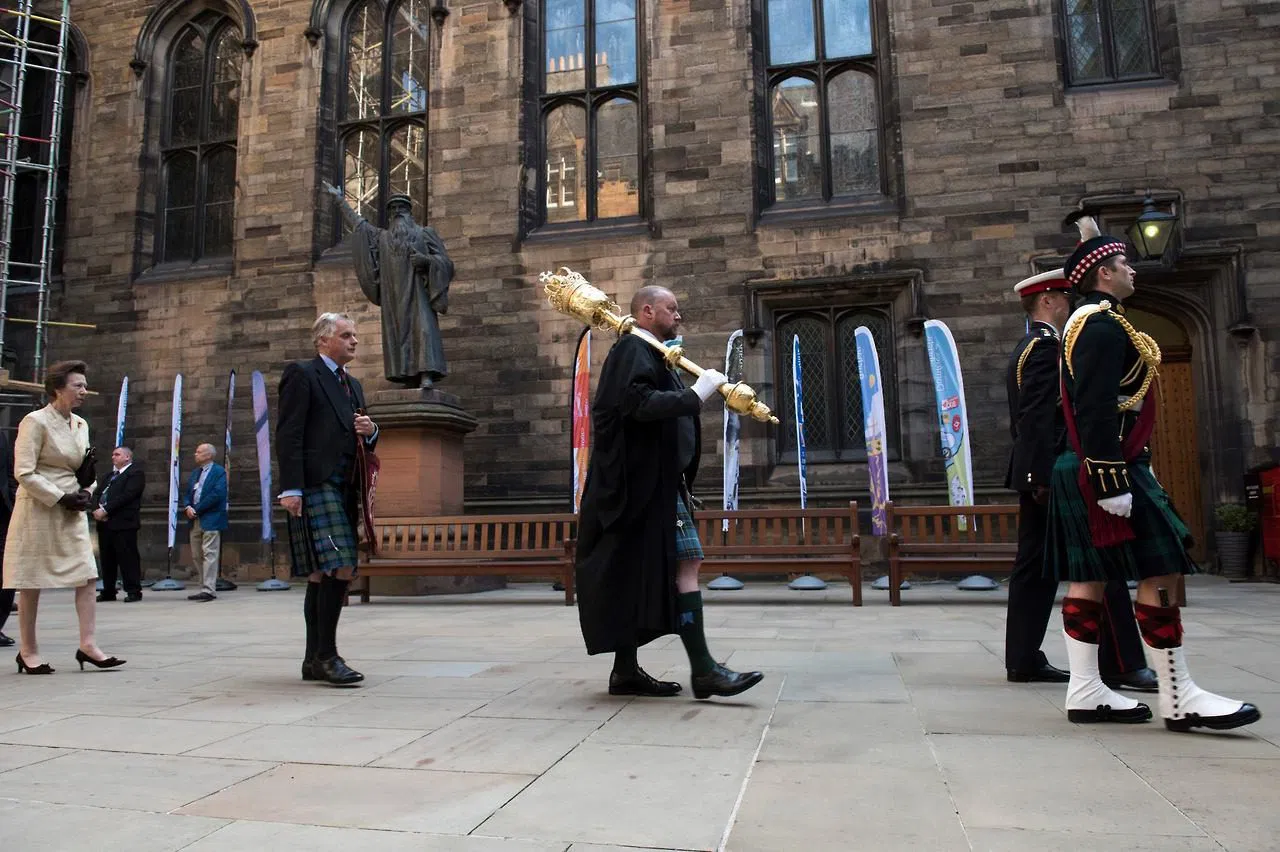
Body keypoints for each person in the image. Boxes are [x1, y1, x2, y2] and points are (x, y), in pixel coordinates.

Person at [1046, 215, 1259, 731]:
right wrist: (1111, 480)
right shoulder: (1099, 325)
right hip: (1107, 466)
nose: (1132, 270)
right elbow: (1095, 407)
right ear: (1103, 274)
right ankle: (1179, 696)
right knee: (1161, 569)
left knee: (1091, 577)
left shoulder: (1094, 321)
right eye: (1123, 263)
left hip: (1096, 463)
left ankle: (1086, 689)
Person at [575, 286, 764, 700]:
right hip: (642, 486)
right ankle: (705, 671)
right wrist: (696, 394)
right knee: (685, 562)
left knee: (644, 572)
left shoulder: (651, 352)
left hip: (659, 483)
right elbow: (638, 405)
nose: (678, 316)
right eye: (671, 308)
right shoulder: (632, 349)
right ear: (647, 311)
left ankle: (627, 671)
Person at [1004, 270, 1157, 693]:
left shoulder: (1029, 345)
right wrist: (1044, 476)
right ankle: (1123, 663)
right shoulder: (1046, 348)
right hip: (1054, 471)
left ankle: (1023, 658)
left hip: (1038, 471)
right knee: (1100, 558)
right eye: (1064, 298)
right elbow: (1036, 418)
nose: (1070, 304)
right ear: (1048, 301)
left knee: (1034, 567)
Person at [3, 360, 124, 674]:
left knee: (87, 574)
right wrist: (60, 496)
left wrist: (87, 491)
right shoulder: (34, 421)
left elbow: (85, 469)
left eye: (85, 385)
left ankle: (88, 645)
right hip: (39, 508)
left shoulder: (81, 424)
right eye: (78, 385)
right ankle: (28, 651)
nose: (84, 391)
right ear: (58, 388)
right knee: (31, 579)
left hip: (73, 509)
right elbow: (24, 472)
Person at [277, 313, 378, 686]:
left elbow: (360, 436)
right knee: (342, 564)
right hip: (316, 483)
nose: (354, 341)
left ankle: (311, 660)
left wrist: (371, 430)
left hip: (346, 484)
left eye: (354, 335)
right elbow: (289, 433)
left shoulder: (353, 385)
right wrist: (291, 488)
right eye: (346, 335)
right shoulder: (303, 374)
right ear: (323, 339)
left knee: (321, 572)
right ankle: (327, 656)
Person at [323, 182, 453, 388]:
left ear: (409, 212)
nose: (397, 212)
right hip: (394, 297)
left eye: (402, 208)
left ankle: (426, 373)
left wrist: (427, 261)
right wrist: (340, 201)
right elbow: (360, 225)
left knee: (423, 330)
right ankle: (407, 375)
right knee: (399, 334)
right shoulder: (382, 238)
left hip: (418, 294)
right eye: (393, 209)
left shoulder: (425, 233)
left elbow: (446, 263)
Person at [92, 446, 146, 603]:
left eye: (117, 454)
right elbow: (97, 493)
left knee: (127, 558)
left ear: (127, 457)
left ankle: (133, 590)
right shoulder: (110, 476)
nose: (113, 457)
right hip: (105, 524)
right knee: (107, 559)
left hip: (123, 523)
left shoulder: (135, 473)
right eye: (112, 454)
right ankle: (108, 590)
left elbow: (128, 495)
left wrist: (106, 510)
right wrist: (96, 509)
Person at [181, 443, 228, 602]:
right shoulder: (196, 473)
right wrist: (188, 506)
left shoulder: (218, 471)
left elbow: (217, 494)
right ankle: (203, 586)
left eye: (199, 452)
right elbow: (188, 492)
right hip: (195, 518)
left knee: (210, 553)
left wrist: (198, 508)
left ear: (209, 455)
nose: (195, 454)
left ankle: (209, 589)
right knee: (196, 555)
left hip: (211, 518)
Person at [0, 430, 17, 645]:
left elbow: (10, 471)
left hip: (3, 513)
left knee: (6, 571)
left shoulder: (2, 437)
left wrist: (13, 500)